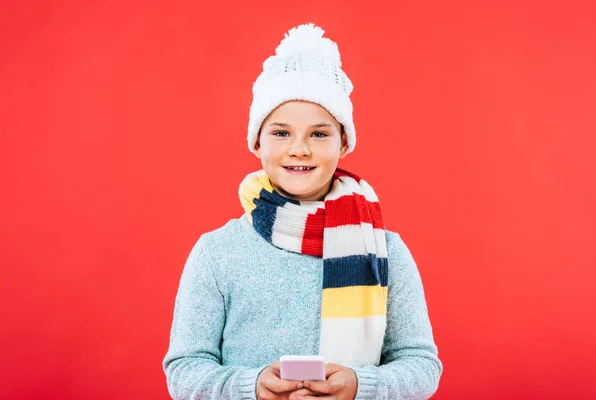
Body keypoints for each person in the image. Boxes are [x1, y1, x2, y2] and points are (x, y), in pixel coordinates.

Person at [163, 23, 442, 400]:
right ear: (256, 142)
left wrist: (361, 386)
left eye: (319, 133)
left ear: (343, 143)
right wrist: (253, 388)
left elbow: (421, 364)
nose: (300, 149)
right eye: (281, 133)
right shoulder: (217, 252)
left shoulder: (386, 252)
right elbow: (184, 369)